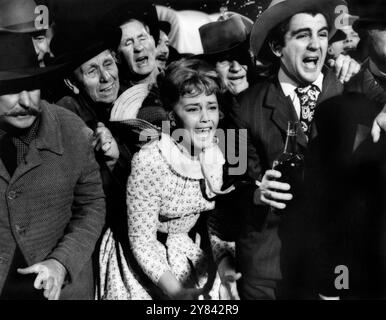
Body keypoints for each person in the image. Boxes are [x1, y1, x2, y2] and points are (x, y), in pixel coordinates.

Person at [98, 58, 233, 300]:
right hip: (141, 259)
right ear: (172, 116)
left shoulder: (216, 152)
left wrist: (225, 267)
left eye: (211, 107)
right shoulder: (150, 161)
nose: (205, 118)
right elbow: (142, 242)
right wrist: (176, 291)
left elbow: (213, 220)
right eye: (193, 109)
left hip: (185, 248)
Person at [0, 31, 105, 300]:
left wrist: (60, 263)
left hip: (62, 290)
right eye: (11, 89)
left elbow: (91, 205)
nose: (26, 101)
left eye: (32, 86)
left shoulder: (71, 129)